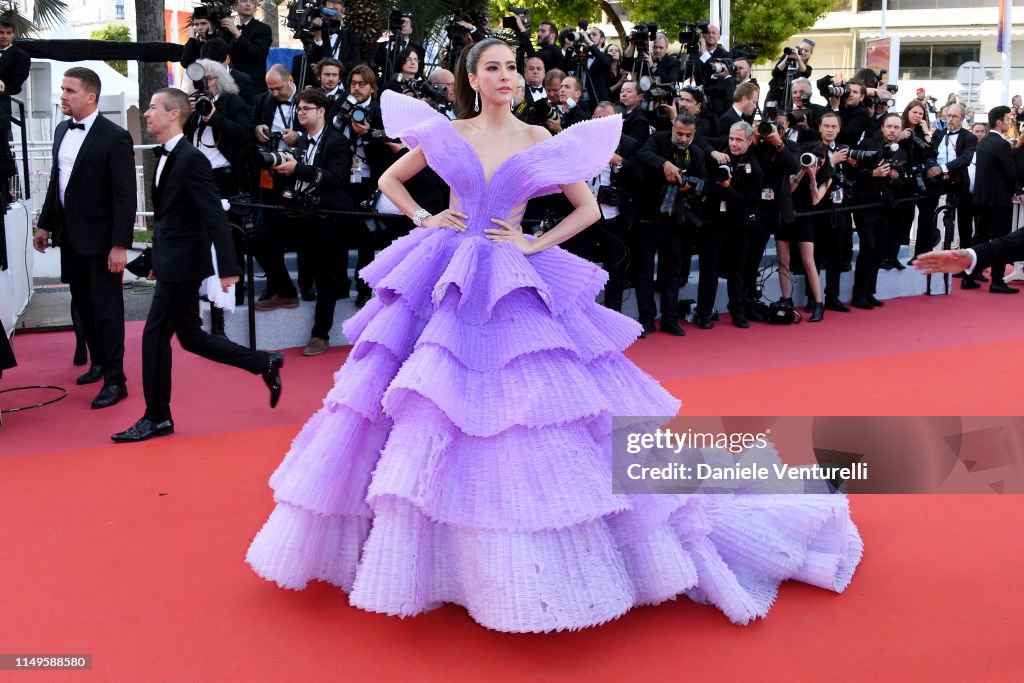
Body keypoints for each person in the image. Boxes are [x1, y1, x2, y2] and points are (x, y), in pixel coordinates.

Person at [245, 37, 862, 633]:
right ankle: (439, 558)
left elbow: (587, 208)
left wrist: (533, 243)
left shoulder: (539, 136)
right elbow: (389, 181)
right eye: (493, 68)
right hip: (444, 271)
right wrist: (425, 216)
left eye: (512, 67)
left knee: (526, 411)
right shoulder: (447, 132)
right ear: (472, 78)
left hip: (511, 275)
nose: (507, 77)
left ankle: (517, 555)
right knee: (425, 405)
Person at [111, 88, 284, 442]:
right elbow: (171, 219)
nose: (146, 113)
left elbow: (214, 217)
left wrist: (231, 268)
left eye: (153, 108)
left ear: (173, 114)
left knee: (153, 337)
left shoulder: (191, 159)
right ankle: (265, 362)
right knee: (191, 338)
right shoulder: (170, 156)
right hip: (173, 260)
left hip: (184, 265)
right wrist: (153, 260)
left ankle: (157, 416)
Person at [34, 67, 136, 409]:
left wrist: (120, 244)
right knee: (84, 306)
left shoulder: (115, 136)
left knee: (108, 310)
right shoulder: (63, 129)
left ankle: (116, 380)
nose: (62, 95)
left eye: (69, 90)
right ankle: (98, 362)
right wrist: (45, 223)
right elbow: (56, 182)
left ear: (90, 97)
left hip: (104, 241)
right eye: (62, 89)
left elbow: (125, 195)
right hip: (71, 238)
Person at [223, 0, 272, 94]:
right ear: (235, 7)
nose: (248, 4)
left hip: (254, 88)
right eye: (244, 1)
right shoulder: (231, 30)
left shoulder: (263, 29)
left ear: (255, 8)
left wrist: (236, 33)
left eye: (252, 2)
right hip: (233, 87)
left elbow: (258, 54)